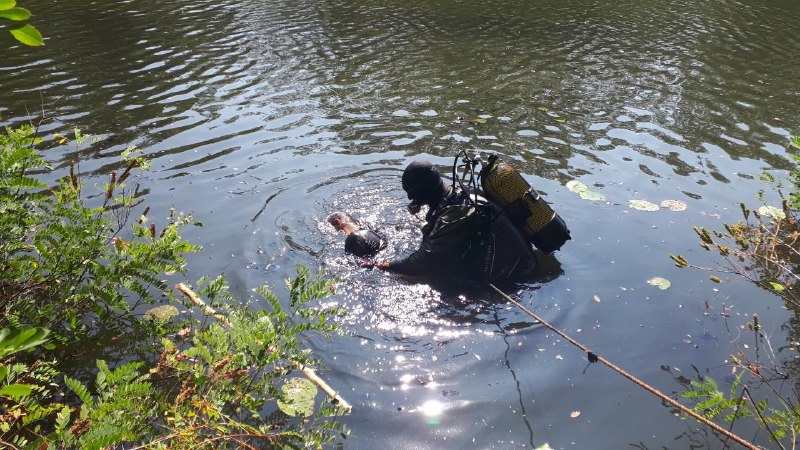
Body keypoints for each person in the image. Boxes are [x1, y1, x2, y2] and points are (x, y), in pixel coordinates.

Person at [375, 160, 537, 282]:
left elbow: (422, 262)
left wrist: (386, 266)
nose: (410, 198)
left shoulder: (455, 213)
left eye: (411, 193)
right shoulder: (461, 192)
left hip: (517, 274)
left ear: (422, 191)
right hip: (522, 257)